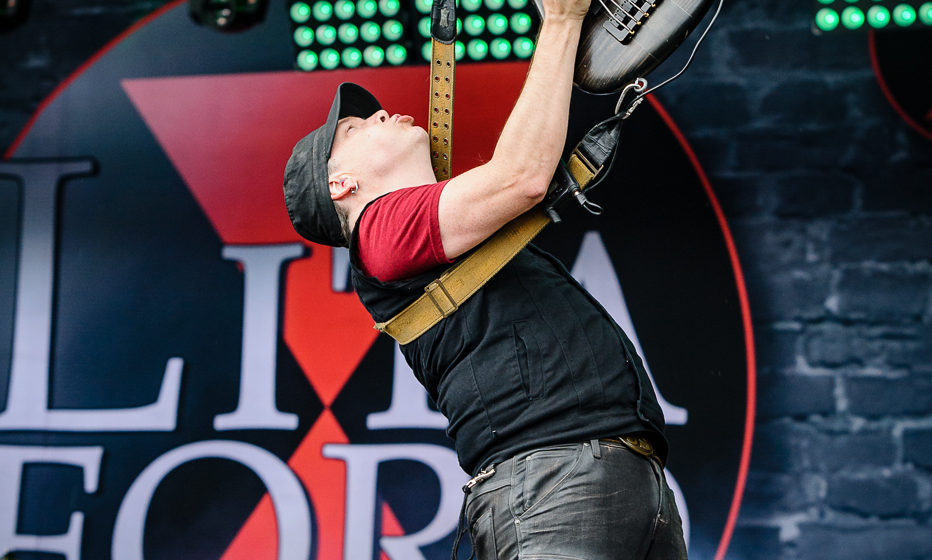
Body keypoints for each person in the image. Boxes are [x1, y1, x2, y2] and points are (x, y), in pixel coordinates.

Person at [282, 0, 687, 556]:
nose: (379, 115)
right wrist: (564, 21)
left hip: (601, 480)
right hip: (552, 487)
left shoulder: (439, 243)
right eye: (353, 128)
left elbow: (519, 175)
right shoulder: (380, 232)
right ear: (341, 186)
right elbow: (522, 177)